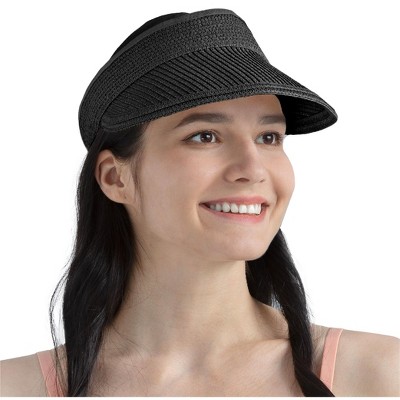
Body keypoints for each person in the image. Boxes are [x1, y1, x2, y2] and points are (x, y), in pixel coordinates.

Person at [1, 8, 399, 397]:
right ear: (115, 178)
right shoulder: (16, 389)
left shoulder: (378, 376)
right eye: (205, 136)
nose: (252, 169)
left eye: (269, 138)